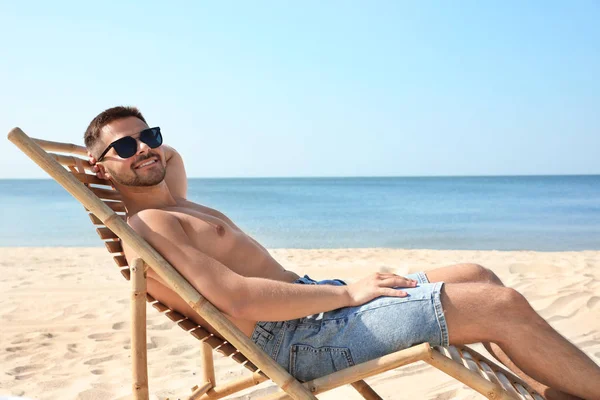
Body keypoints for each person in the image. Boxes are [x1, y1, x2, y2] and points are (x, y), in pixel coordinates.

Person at [84, 106, 600, 400]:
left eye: (148, 136)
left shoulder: (176, 201)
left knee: (477, 273)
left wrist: (121, 150)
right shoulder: (150, 226)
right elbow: (236, 301)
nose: (146, 149)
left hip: (312, 305)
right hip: (298, 339)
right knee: (500, 305)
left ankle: (552, 390)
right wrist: (348, 292)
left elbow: (169, 155)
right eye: (125, 148)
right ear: (102, 168)